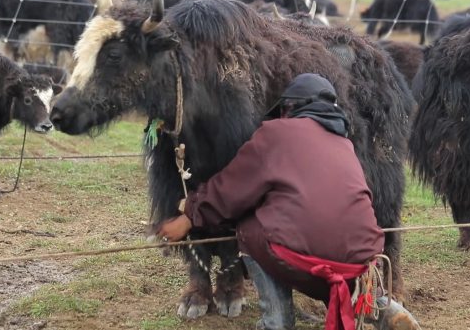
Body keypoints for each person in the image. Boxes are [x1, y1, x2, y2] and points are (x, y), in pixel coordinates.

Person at [158, 73, 421, 330]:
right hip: (362, 262)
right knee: (334, 264)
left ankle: (277, 320)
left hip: (305, 260)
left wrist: (189, 216)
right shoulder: (344, 144)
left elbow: (231, 190)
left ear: (290, 108)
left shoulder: (276, 133)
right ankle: (381, 306)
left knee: (250, 226)